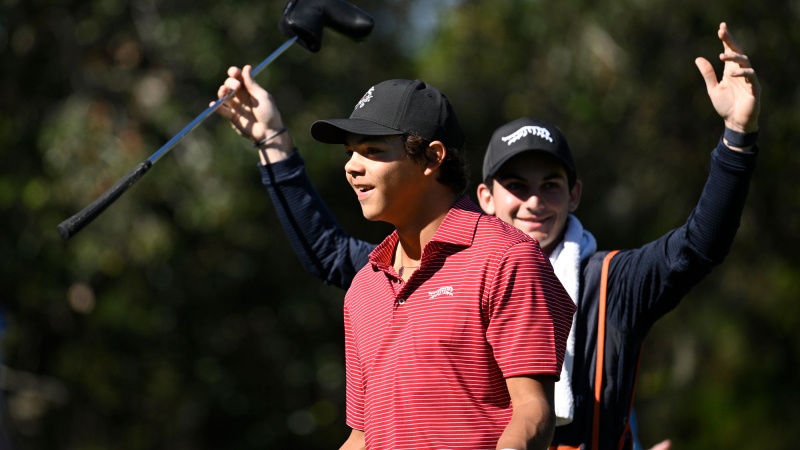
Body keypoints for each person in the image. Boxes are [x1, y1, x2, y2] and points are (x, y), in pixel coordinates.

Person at [215, 22, 759, 449]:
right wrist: (272, 141)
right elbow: (329, 255)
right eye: (515, 185)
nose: (532, 202)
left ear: (575, 196)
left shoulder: (607, 280)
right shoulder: (388, 274)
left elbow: (698, 246)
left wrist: (737, 137)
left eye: (551, 185)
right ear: (484, 197)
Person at [217, 77, 577, 449]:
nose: (352, 167)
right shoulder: (365, 286)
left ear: (433, 158)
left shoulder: (507, 257)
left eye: (372, 151)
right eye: (349, 153)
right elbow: (362, 436)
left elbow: (532, 411)